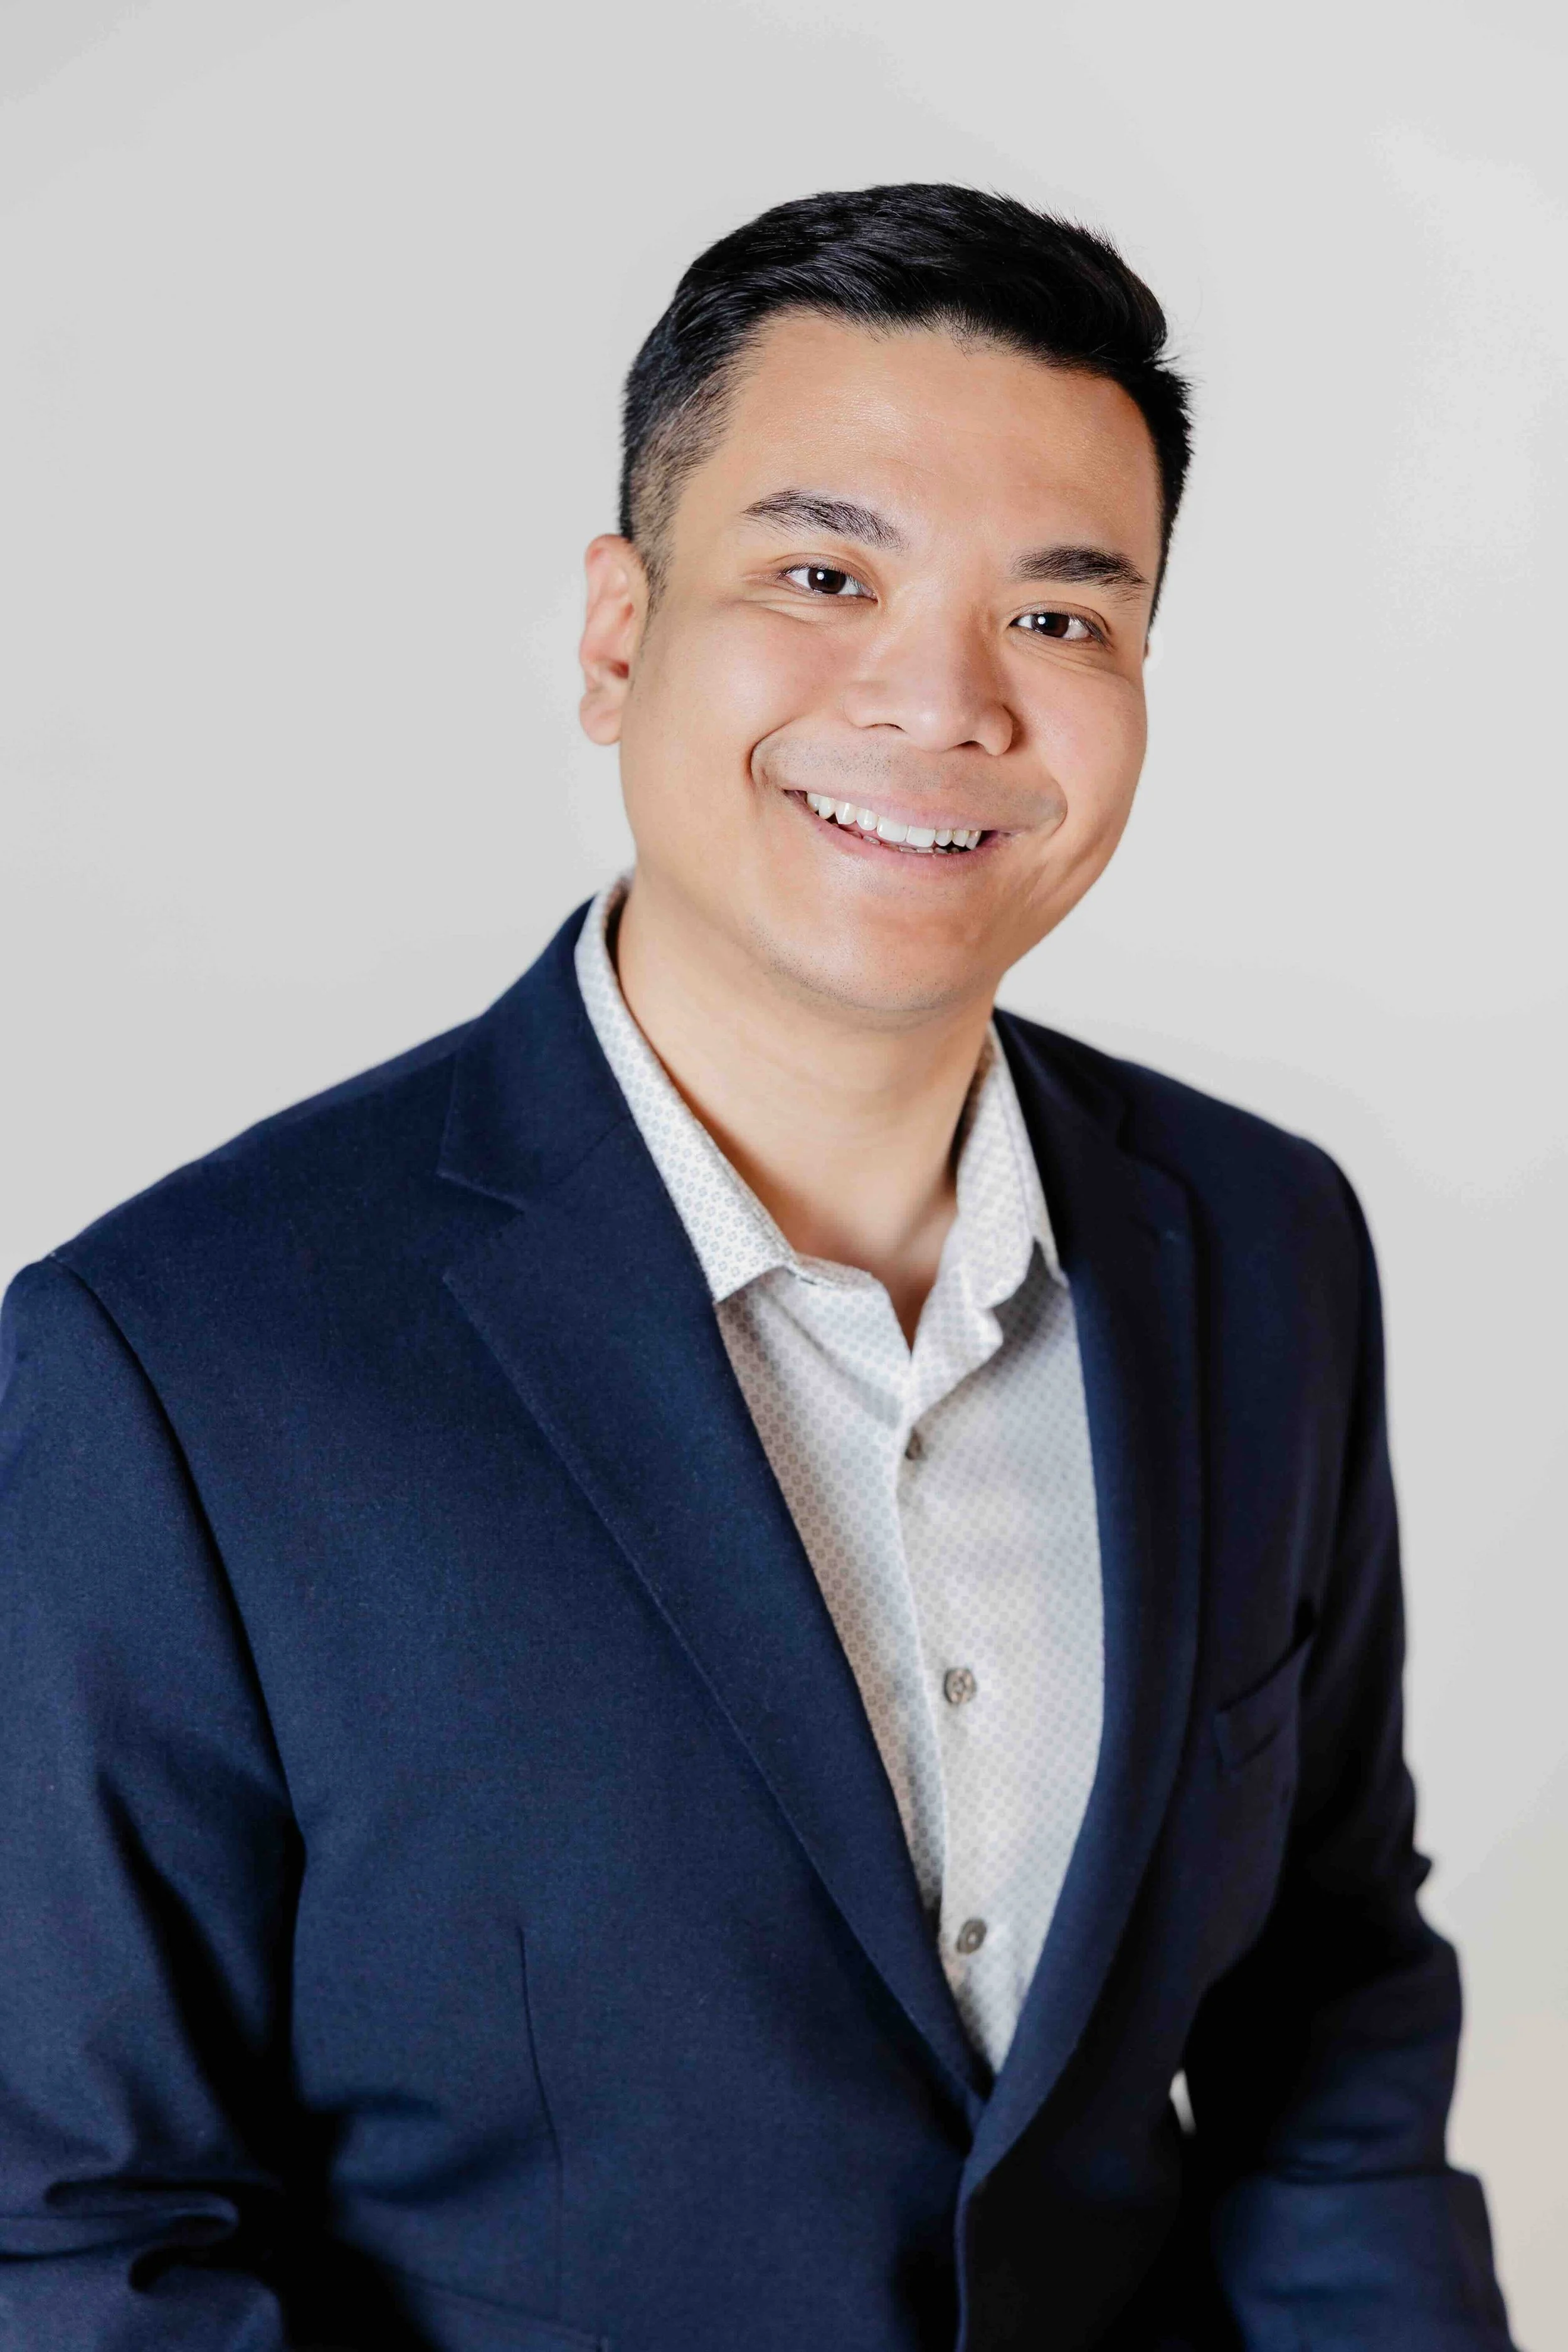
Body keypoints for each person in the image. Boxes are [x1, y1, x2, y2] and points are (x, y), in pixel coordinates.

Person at [0, 183, 1515, 2352]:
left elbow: (1325, 2006)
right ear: (617, 634)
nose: (945, 700)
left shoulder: (1261, 1242)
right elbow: (79, 2232)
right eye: (823, 576)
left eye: (1064, 616)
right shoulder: (176, 1359)